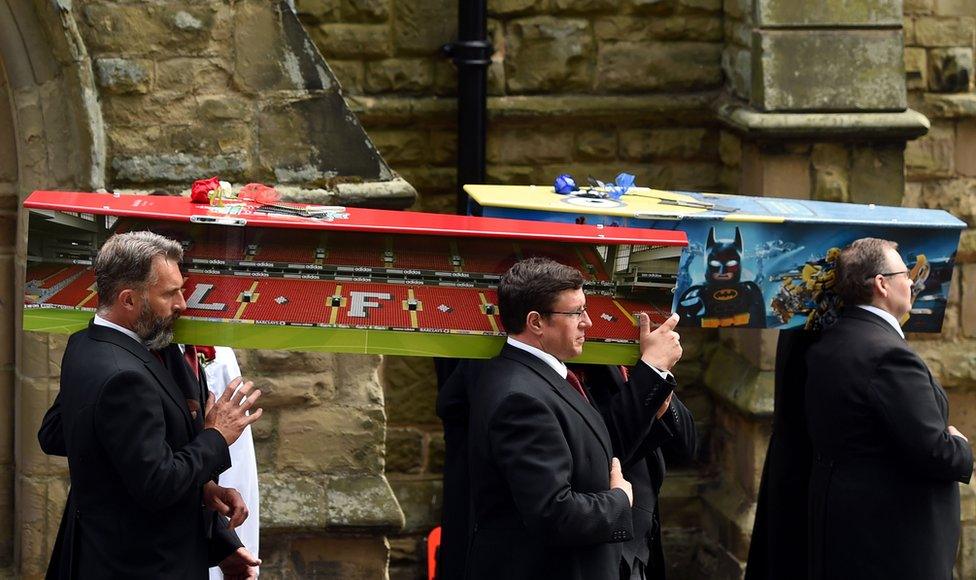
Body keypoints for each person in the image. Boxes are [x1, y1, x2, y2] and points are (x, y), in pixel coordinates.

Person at [38, 231, 263, 579]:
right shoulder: (123, 378)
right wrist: (216, 435)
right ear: (129, 300)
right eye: (170, 294)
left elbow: (92, 446)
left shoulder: (84, 344)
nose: (182, 305)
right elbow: (157, 484)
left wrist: (205, 491)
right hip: (140, 566)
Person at [465, 257, 684, 579]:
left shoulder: (540, 377)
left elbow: (598, 447)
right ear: (536, 322)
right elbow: (555, 513)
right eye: (576, 312)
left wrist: (654, 380)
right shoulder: (521, 400)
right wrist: (620, 500)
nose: (588, 323)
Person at [804, 237, 973, 580]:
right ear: (881, 284)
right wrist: (959, 445)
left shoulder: (830, 341)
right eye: (904, 273)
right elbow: (935, 452)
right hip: (894, 542)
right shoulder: (889, 356)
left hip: (846, 529)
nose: (912, 280)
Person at [202, 346, 261, 579]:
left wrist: (229, 544)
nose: (179, 306)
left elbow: (236, 459)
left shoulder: (218, 355)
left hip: (210, 520)